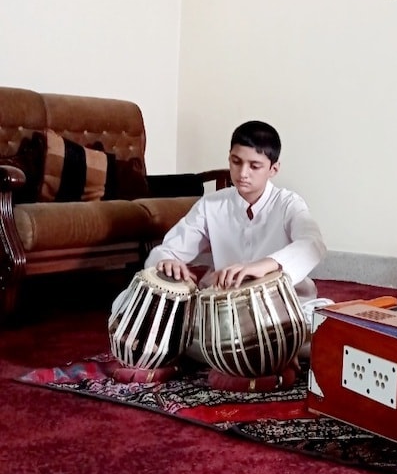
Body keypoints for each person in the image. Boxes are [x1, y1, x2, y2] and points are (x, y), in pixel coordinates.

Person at [111, 119, 328, 366]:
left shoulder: (288, 203)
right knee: (126, 303)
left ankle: (252, 350)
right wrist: (168, 262)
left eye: (254, 165)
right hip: (224, 315)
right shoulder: (211, 205)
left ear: (274, 169)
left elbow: (313, 244)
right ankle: (269, 354)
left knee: (328, 328)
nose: (243, 173)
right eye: (236, 162)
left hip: (283, 310)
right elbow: (167, 250)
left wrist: (265, 265)